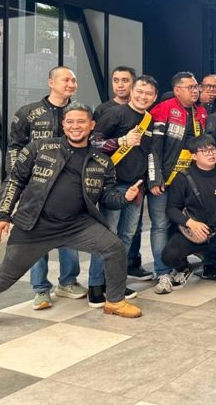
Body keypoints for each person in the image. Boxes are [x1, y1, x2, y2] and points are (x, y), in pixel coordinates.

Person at [0, 103, 143, 332]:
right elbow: (14, 180)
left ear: (92, 125)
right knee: (6, 275)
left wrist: (124, 197)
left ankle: (114, 301)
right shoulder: (40, 148)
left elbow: (107, 197)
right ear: (64, 125)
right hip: (35, 225)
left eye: (81, 121)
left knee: (114, 248)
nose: (76, 126)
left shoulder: (102, 161)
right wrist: (2, 215)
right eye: (70, 122)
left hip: (77, 225)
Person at [6, 66, 85, 310]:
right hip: (36, 186)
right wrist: (18, 177)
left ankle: (68, 282)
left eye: (74, 80)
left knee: (70, 234)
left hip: (69, 187)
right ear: (51, 82)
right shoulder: (28, 113)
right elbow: (14, 147)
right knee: (36, 236)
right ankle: (40, 289)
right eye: (66, 80)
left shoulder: (79, 112)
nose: (71, 84)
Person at [88, 75, 159, 307]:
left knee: (126, 236)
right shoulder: (115, 114)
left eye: (148, 93)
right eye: (140, 91)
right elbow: (93, 142)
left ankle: (115, 282)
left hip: (136, 187)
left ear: (155, 97)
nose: (143, 96)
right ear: (132, 91)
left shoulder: (149, 120)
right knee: (107, 236)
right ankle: (96, 285)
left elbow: (148, 154)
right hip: (113, 185)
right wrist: (121, 141)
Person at [147, 72, 207, 294]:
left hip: (187, 180)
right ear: (177, 90)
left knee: (181, 222)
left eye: (196, 87)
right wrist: (154, 177)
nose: (195, 90)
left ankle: (179, 264)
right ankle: (162, 272)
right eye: (190, 87)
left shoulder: (201, 111)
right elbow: (154, 147)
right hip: (164, 179)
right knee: (161, 225)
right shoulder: (163, 109)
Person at [162, 135, 216, 290]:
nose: (210, 154)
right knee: (168, 256)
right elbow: (171, 209)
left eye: (212, 149)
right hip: (193, 232)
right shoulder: (183, 177)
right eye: (204, 151)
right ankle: (184, 269)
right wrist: (190, 223)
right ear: (194, 156)